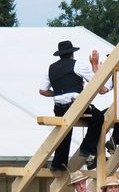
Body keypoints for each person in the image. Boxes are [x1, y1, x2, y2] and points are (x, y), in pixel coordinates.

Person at [40, 40, 109, 172]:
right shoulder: (77, 65)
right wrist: (95, 65)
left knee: (64, 132)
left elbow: (42, 91)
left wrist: (58, 92)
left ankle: (58, 164)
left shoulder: (51, 68)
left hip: (59, 107)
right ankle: (87, 148)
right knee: (98, 117)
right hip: (74, 105)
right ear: (72, 53)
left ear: (60, 55)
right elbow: (95, 82)